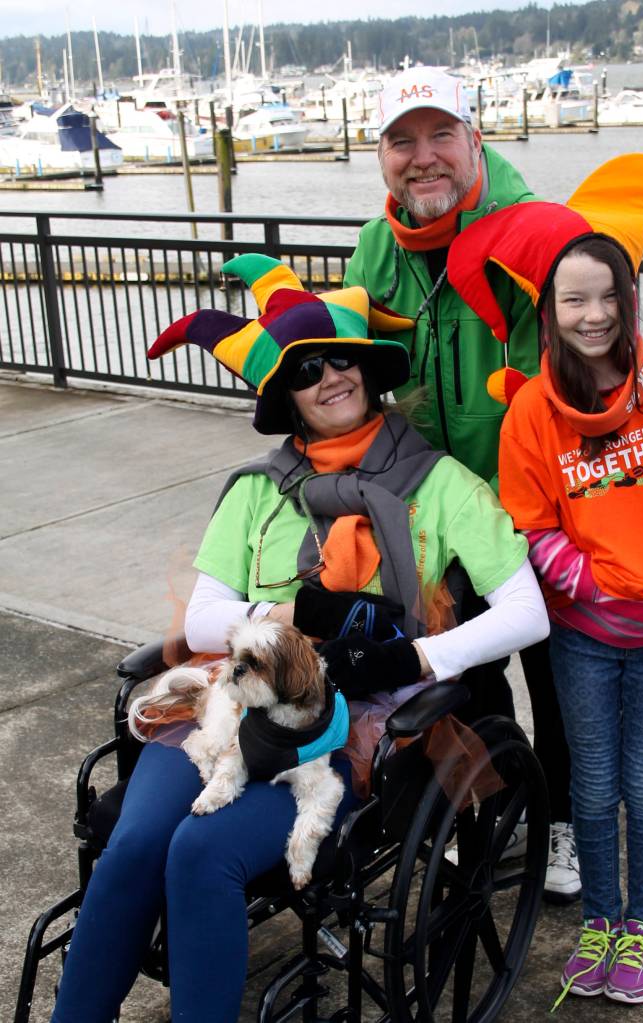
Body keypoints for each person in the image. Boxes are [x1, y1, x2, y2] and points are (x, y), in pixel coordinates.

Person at [50, 254, 549, 1023]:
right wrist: (274, 626)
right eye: (306, 369)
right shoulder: (257, 487)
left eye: (341, 359)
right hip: (234, 694)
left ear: (368, 368)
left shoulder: (441, 482)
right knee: (139, 837)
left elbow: (526, 610)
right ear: (287, 392)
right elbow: (202, 618)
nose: (329, 377)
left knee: (201, 850)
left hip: (349, 717)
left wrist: (414, 655)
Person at [447, 153, 643, 1007]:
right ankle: (599, 923)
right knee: (590, 784)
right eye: (571, 299)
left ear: (628, 303)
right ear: (550, 310)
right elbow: (531, 522)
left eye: (605, 297)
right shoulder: (533, 411)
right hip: (583, 634)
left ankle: (641, 927)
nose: (590, 314)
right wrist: (584, 583)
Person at [344, 64, 579, 902]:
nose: (423, 158)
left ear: (475, 141)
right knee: (459, 674)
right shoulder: (378, 245)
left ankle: (565, 822)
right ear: (379, 157)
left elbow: (573, 369)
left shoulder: (533, 234)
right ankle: (482, 800)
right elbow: (354, 366)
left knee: (558, 678)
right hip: (431, 506)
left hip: (533, 503)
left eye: (441, 134)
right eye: (401, 141)